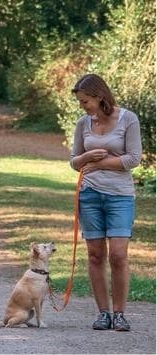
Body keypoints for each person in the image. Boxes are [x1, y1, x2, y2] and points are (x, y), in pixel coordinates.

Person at [70, 73, 142, 331]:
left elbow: (134, 159)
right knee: (95, 255)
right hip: (89, 195)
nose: (83, 106)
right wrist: (86, 156)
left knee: (119, 256)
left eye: (85, 101)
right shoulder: (83, 123)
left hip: (120, 196)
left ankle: (120, 313)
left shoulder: (128, 119)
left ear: (100, 96)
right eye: (80, 102)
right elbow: (74, 161)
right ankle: (103, 314)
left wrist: (98, 163)